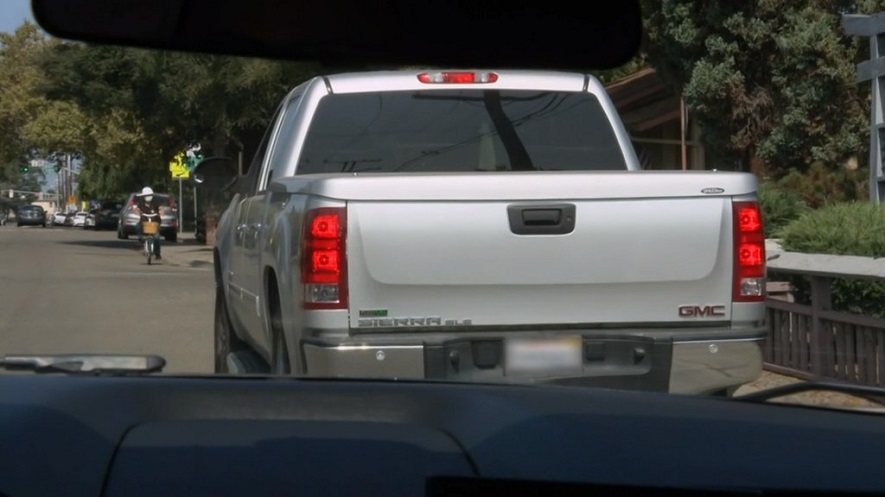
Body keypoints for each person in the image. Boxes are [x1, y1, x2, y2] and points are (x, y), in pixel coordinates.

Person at [134, 186, 162, 260]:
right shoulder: (141, 202)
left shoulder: (156, 201)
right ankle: (141, 239)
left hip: (154, 222)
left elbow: (160, 209)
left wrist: (160, 213)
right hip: (144, 221)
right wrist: (138, 212)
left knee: (156, 237)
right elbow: (137, 209)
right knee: (137, 226)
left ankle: (157, 254)